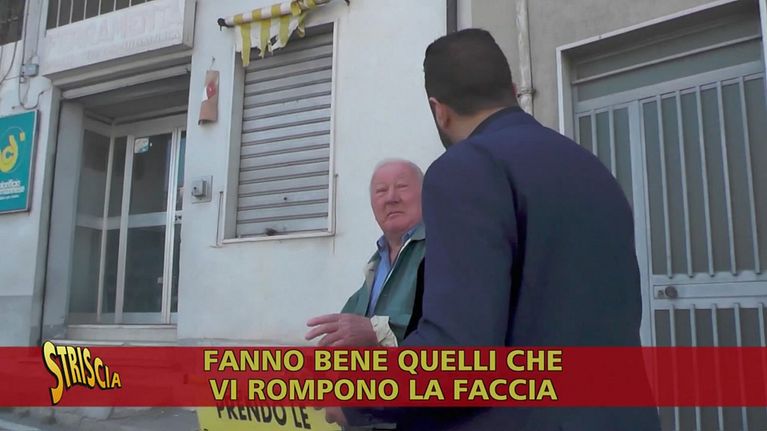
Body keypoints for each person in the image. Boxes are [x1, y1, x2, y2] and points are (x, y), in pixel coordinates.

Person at [335, 29, 661, 430]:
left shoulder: (465, 168)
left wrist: (354, 400)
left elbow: (457, 358)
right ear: (513, 91)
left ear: (439, 110)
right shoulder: (591, 169)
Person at [305, 159, 426, 348]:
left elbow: (451, 320)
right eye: (381, 191)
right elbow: (351, 327)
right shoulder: (376, 263)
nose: (391, 198)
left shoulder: (444, 247)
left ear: (426, 195)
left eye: (402, 186)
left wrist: (377, 331)